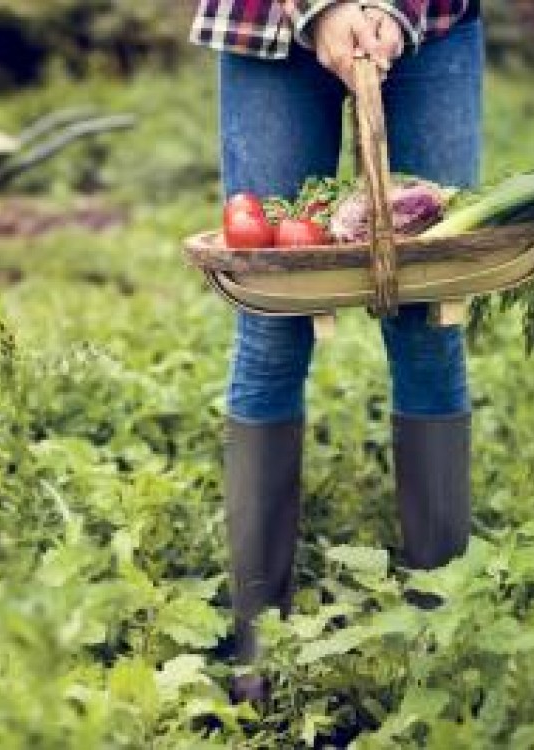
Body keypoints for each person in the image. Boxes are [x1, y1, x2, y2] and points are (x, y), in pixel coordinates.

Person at [189, 0, 484, 702]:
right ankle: (256, 655)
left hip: (428, 21)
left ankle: (440, 637)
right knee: (273, 316)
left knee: (427, 316)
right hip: (266, 24)